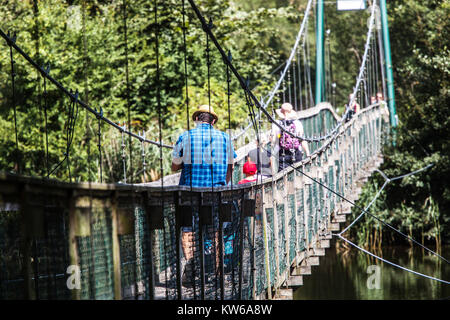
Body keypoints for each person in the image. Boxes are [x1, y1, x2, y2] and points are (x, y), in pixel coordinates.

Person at [171, 104, 236, 285]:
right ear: (213, 121)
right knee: (215, 230)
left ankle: (191, 269)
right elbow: (231, 167)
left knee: (188, 230)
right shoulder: (225, 137)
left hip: (189, 193)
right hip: (215, 193)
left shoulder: (185, 136)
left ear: (197, 119)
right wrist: (222, 182)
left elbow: (175, 166)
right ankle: (217, 273)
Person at [271, 102, 310, 172]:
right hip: (297, 152)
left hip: (283, 153)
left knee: (283, 177)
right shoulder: (297, 123)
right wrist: (307, 153)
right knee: (298, 173)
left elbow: (273, 141)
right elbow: (302, 139)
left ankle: (285, 183)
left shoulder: (277, 124)